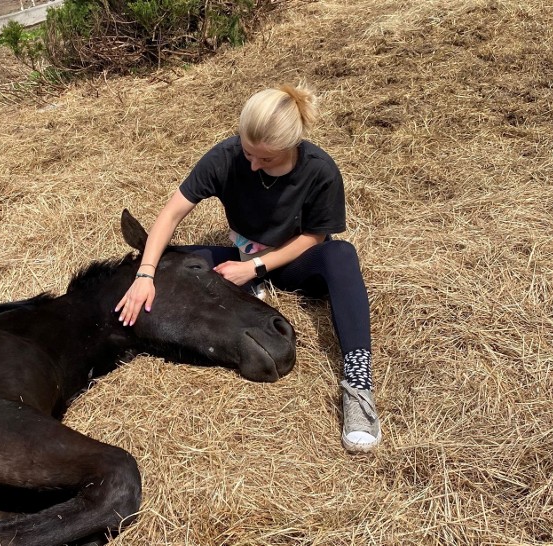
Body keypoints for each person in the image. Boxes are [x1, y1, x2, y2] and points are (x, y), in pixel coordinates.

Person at [114, 83, 380, 453]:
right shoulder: (225, 155)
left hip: (292, 260)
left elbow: (314, 237)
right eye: (247, 152)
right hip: (241, 254)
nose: (253, 164)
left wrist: (254, 268)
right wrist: (146, 272)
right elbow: (173, 212)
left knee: (342, 256)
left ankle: (358, 382)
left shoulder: (321, 171)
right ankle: (184, 270)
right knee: (174, 261)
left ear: (291, 147)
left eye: (265, 159)